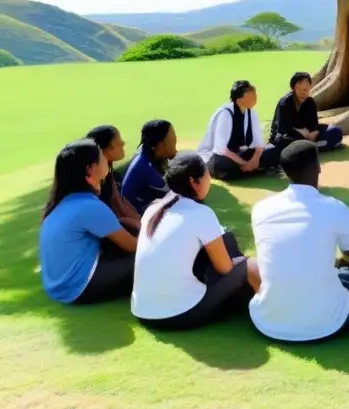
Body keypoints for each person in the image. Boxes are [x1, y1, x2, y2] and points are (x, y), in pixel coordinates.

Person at [249, 140, 349, 342]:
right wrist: (339, 264)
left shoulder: (261, 208)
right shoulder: (335, 207)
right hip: (326, 323)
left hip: (268, 320)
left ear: (284, 171)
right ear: (319, 168)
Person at [131, 154, 259, 330]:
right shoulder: (200, 213)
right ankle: (268, 310)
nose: (209, 180)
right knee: (249, 266)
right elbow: (225, 268)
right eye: (207, 175)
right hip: (179, 314)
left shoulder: (153, 209)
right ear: (194, 181)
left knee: (224, 246)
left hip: (142, 310)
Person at [39, 140, 138, 304]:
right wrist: (146, 228)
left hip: (59, 287)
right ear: (90, 169)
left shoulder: (64, 203)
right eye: (101, 157)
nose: (105, 160)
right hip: (78, 288)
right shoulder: (89, 206)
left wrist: (127, 222)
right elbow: (134, 245)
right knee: (149, 259)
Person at [198, 80, 281, 181]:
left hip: (241, 153)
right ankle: (253, 170)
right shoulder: (225, 114)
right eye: (251, 97)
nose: (254, 99)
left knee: (274, 151)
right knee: (225, 165)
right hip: (218, 156)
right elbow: (222, 149)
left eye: (255, 95)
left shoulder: (251, 112)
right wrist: (245, 163)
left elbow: (259, 145)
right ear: (239, 100)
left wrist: (254, 160)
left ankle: (248, 170)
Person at [269, 71, 344, 152]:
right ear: (293, 88)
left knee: (335, 131)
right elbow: (283, 129)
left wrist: (314, 133)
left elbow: (314, 124)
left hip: (307, 134)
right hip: (289, 135)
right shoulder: (285, 104)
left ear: (310, 88)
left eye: (305, 89)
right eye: (299, 89)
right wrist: (301, 132)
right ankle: (315, 147)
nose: (303, 92)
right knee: (284, 140)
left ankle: (310, 147)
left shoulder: (310, 102)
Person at [86, 125, 142, 232]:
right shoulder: (96, 178)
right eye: (119, 140)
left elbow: (120, 201)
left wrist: (141, 221)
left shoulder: (109, 173)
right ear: (108, 148)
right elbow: (118, 206)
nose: (123, 143)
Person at [120, 120, 177, 215]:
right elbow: (174, 191)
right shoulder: (146, 167)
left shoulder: (146, 150)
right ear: (156, 145)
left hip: (144, 202)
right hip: (136, 213)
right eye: (171, 140)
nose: (175, 140)